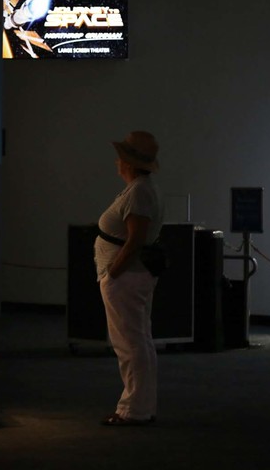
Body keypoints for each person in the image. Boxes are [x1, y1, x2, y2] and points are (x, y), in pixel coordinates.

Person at [94, 130, 164, 426]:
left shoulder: (138, 192)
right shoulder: (140, 189)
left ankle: (133, 410)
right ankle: (139, 406)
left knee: (129, 343)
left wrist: (113, 272)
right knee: (138, 341)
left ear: (128, 162)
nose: (116, 162)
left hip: (125, 277)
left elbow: (135, 239)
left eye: (120, 157)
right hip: (130, 276)